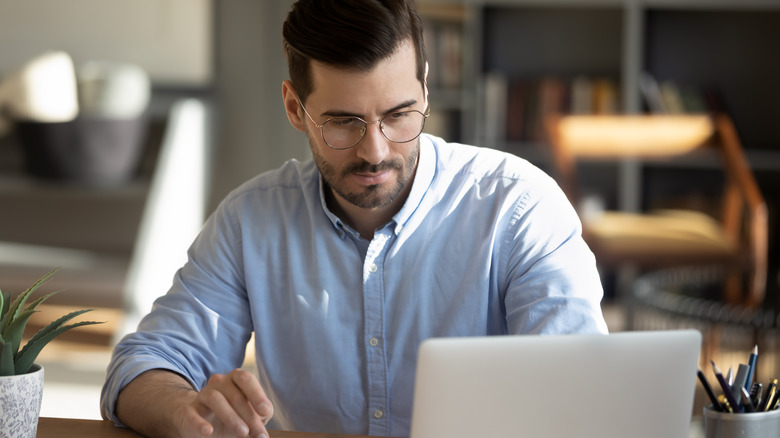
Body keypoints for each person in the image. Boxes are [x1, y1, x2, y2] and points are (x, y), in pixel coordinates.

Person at [101, 1, 608, 437]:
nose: (376, 151)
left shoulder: (519, 207)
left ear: (426, 91)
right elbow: (139, 366)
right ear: (295, 109)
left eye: (399, 114)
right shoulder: (249, 221)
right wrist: (183, 411)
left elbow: (582, 392)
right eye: (344, 121)